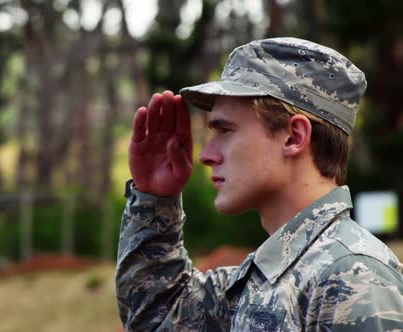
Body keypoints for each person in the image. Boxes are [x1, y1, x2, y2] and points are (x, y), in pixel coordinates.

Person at [115, 37, 403, 331]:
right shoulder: (266, 277)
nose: (206, 155)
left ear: (293, 137)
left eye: (225, 130)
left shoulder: (353, 277)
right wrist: (154, 197)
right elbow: (158, 315)